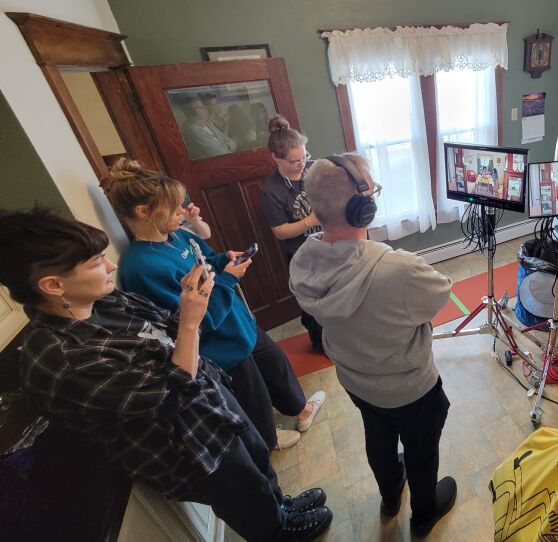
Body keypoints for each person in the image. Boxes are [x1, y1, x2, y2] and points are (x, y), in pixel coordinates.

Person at [0, 207, 332, 541]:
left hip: (211, 406)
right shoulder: (61, 359)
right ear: (53, 284)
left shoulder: (102, 302)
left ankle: (281, 509)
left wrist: (196, 298)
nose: (111, 265)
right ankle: (277, 532)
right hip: (188, 445)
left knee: (257, 462)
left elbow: (165, 328)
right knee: (241, 492)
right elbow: (172, 392)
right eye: (97, 261)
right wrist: (190, 321)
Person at [102, 159, 325, 452]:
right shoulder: (142, 267)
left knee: (274, 363)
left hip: (236, 318)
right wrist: (228, 281)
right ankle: (267, 440)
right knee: (251, 392)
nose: (182, 211)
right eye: (173, 208)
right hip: (220, 341)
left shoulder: (178, 235)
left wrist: (224, 260)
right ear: (143, 212)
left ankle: (299, 408)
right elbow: (191, 322)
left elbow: (207, 260)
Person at [288, 153, 457, 537]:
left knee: (377, 436)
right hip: (411, 389)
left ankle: (389, 494)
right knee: (422, 450)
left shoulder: (303, 262)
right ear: (362, 208)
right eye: (371, 190)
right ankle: (425, 513)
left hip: (356, 382)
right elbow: (441, 293)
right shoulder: (399, 269)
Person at [260, 115, 324, 352]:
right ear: (276, 158)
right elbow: (280, 232)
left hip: (327, 244)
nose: (301, 164)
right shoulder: (271, 191)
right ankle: (320, 344)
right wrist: (311, 220)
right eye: (294, 161)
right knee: (312, 304)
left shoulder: (314, 169)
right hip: (302, 254)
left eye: (304, 157)